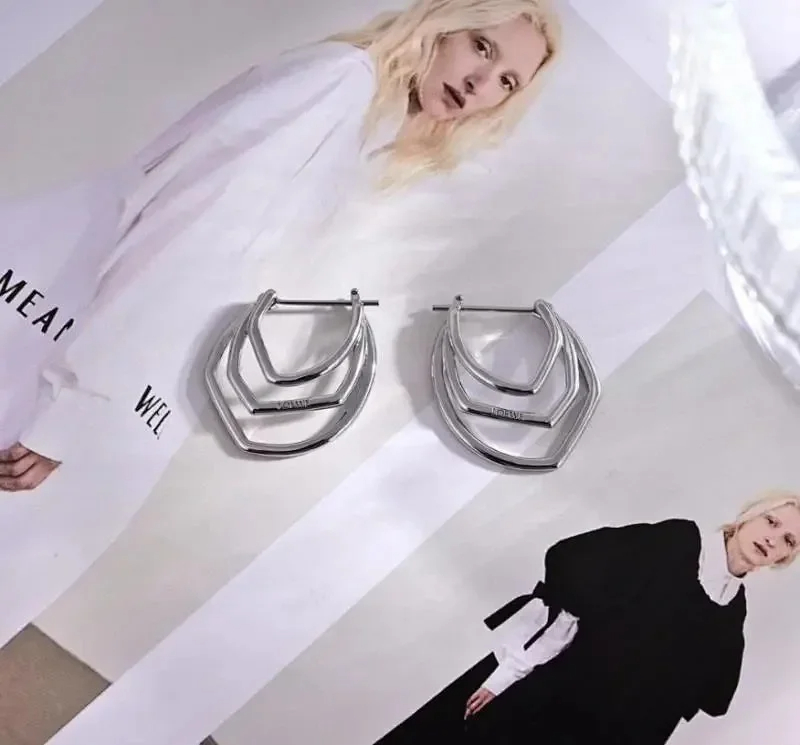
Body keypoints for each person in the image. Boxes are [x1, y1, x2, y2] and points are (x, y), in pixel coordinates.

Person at [0, 0, 561, 491]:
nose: (479, 83)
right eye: (481, 46)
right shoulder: (338, 86)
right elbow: (191, 243)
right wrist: (73, 410)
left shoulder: (362, 113)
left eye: (507, 81)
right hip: (64, 331)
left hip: (85, 334)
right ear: (442, 24)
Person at [374, 491, 800, 745]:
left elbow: (696, 702)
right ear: (748, 515)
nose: (772, 539)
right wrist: (507, 675)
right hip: (536, 710)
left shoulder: (731, 618)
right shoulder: (676, 542)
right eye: (771, 521)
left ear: (785, 558)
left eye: (788, 540)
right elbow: (570, 579)